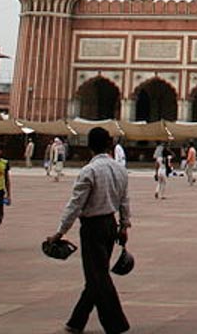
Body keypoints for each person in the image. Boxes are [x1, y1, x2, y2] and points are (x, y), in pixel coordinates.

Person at [46, 126, 131, 334]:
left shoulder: (89, 171)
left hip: (93, 227)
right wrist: (124, 225)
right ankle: (76, 322)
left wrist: (60, 232)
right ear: (109, 145)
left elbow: (75, 205)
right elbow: (124, 200)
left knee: (98, 276)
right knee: (96, 274)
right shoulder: (120, 169)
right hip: (111, 225)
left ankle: (116, 324)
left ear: (88, 146)